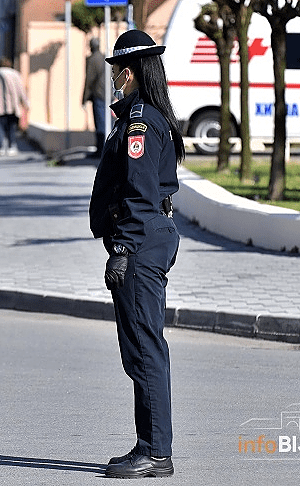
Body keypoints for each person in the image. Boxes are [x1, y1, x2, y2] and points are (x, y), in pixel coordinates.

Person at [88, 30, 186, 479]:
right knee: (142, 349)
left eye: (114, 72)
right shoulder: (143, 115)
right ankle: (149, 444)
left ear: (126, 72)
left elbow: (140, 194)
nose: (112, 79)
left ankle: (156, 452)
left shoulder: (141, 121)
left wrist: (123, 248)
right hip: (148, 238)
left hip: (141, 242)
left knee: (144, 349)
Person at [0, 57, 29, 156]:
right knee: (11, 127)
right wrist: (26, 103)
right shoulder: (15, 75)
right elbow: (21, 90)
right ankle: (11, 146)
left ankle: (1, 147)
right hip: (12, 106)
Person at [83, 37, 107, 157]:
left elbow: (89, 80)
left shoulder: (93, 59)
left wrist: (84, 98)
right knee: (106, 122)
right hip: (107, 95)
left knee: (100, 123)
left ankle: (100, 150)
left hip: (99, 95)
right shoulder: (104, 57)